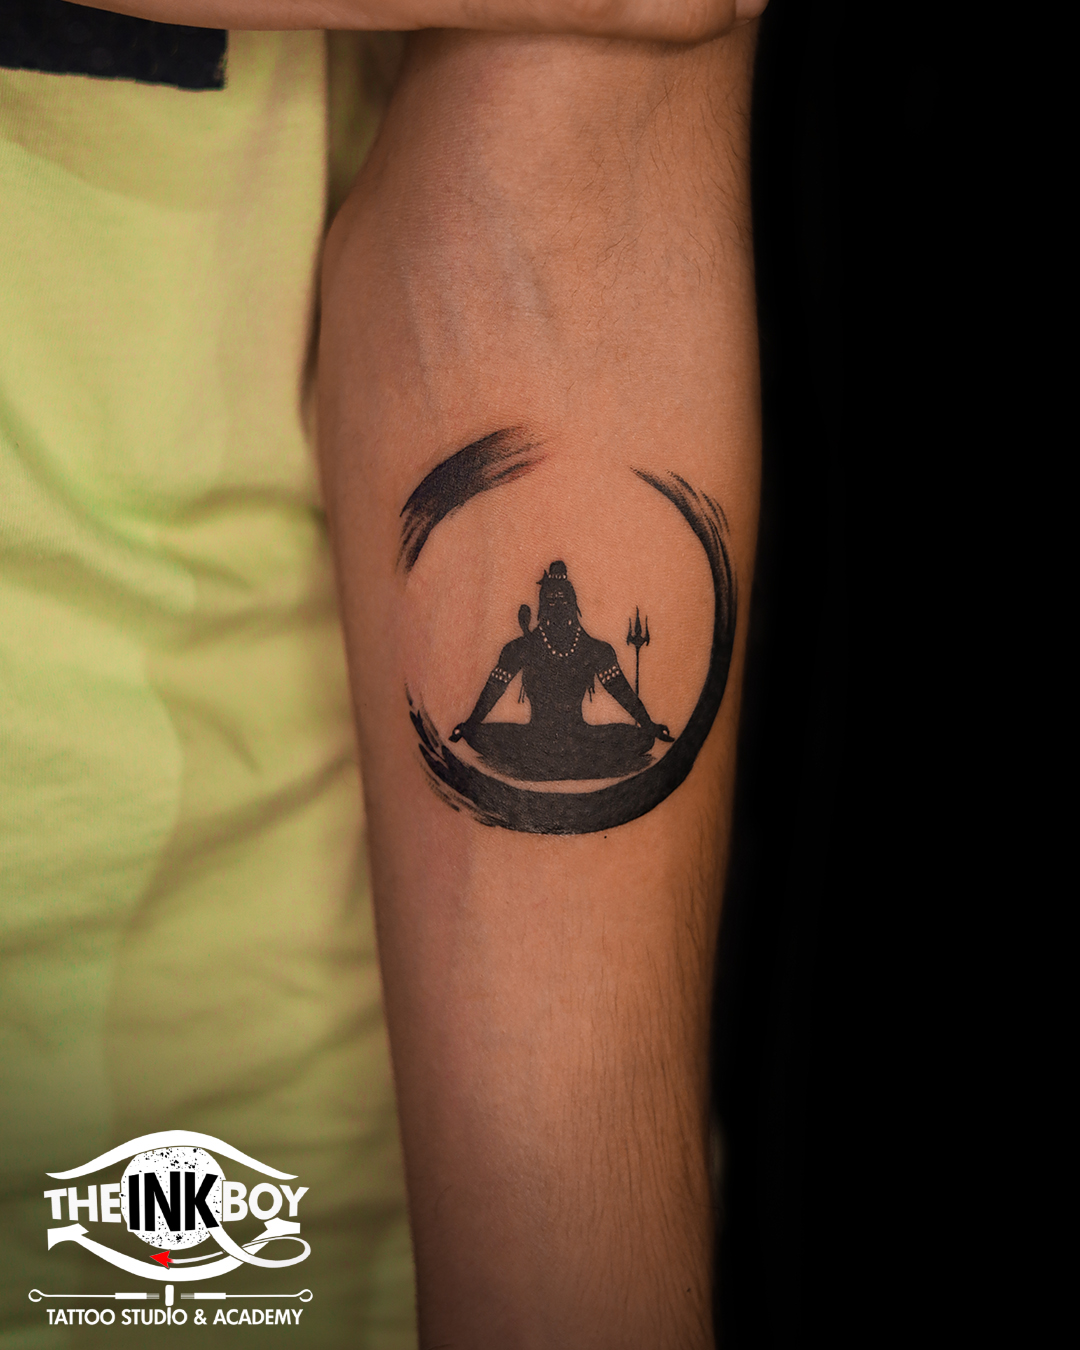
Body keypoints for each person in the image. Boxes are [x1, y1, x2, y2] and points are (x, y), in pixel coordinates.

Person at [1, 2, 764, 1346]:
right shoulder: (532, 646)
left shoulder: (572, 641)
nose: (565, 610)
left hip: (307, 1125)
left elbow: (570, 182)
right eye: (560, 602)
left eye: (567, 599)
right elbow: (489, 703)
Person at [450, 560, 672, 781]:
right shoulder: (521, 648)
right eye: (551, 601)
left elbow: (621, 691)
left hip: (580, 740)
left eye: (563, 600)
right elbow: (494, 688)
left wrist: (649, 725)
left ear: (573, 604)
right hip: (533, 741)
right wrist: (470, 724)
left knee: (642, 739)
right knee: (480, 735)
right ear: (542, 606)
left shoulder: (595, 649)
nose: (557, 606)